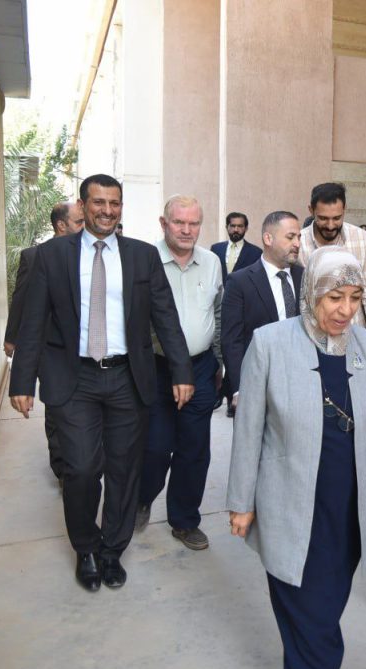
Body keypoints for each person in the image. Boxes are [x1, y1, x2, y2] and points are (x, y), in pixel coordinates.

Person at [226, 247, 366, 669]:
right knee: (314, 624)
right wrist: (241, 502)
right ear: (311, 292)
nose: (346, 310)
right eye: (335, 297)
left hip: (347, 511)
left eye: (355, 298)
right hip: (290, 509)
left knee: (323, 611)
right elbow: (248, 430)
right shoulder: (270, 343)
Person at [9, 174, 194, 592]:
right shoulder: (52, 256)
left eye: (115, 203)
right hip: (73, 378)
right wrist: (21, 381)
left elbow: (165, 317)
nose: (107, 211)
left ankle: (112, 550)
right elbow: (33, 321)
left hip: (127, 377)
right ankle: (86, 548)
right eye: (99, 202)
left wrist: (182, 371)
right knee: (80, 468)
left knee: (124, 469)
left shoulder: (142, 256)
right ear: (83, 205)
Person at [135, 196, 223, 550]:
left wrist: (218, 362)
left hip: (201, 368)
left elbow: (218, 313)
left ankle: (185, 521)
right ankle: (141, 498)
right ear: (164, 223)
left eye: (194, 223)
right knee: (155, 447)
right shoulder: (144, 261)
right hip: (157, 369)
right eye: (179, 222)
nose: (187, 230)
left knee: (195, 449)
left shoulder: (212, 262)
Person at [4, 201, 85, 483]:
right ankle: (62, 469)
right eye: (79, 222)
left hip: (80, 347)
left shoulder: (89, 254)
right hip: (48, 346)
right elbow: (21, 299)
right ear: (61, 225)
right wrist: (12, 337)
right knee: (56, 406)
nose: (85, 227)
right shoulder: (35, 256)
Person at [221, 211, 303, 419]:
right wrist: (238, 389)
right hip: (256, 384)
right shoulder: (239, 282)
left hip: (299, 382)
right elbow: (232, 340)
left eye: (299, 237)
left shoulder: (304, 276)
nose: (297, 243)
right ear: (268, 238)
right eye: (290, 237)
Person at [299, 182, 366, 340]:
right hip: (312, 338)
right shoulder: (299, 243)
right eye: (323, 218)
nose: (330, 226)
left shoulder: (361, 239)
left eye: (337, 218)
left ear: (344, 209)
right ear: (311, 210)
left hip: (355, 337)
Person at [211, 211, 262, 285]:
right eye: (232, 226)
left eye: (240, 226)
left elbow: (257, 279)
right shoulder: (216, 249)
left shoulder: (256, 252)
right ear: (226, 227)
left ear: (246, 228)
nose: (236, 230)